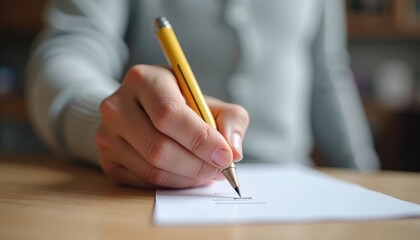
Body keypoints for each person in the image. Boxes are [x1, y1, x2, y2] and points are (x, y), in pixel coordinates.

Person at [26, 0, 379, 189]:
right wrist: (104, 120)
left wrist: (368, 182)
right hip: (150, 194)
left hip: (296, 190)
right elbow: (67, 51)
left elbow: (329, 78)